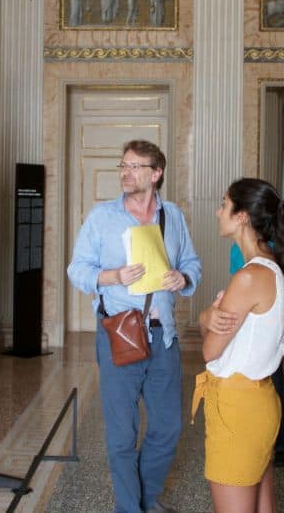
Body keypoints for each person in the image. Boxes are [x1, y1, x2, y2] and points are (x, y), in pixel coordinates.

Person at [67, 140, 202, 513]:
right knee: (122, 435)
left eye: (134, 167)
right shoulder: (102, 218)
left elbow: (193, 263)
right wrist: (112, 276)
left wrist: (183, 278)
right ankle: (130, 509)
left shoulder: (172, 216)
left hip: (165, 337)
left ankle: (143, 499)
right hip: (120, 333)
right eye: (122, 166)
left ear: (156, 174)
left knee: (168, 428)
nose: (126, 173)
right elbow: (76, 270)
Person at [194, 179, 284, 512]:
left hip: (237, 409)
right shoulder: (271, 267)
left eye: (224, 204)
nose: (218, 211)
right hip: (259, 401)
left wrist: (205, 318)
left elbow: (209, 350)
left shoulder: (247, 278)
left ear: (242, 216)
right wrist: (207, 316)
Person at [228, 242, 284, 467]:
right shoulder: (236, 247)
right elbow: (236, 281)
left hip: (264, 318)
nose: (220, 212)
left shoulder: (270, 243)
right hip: (247, 317)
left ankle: (282, 442)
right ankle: (259, 438)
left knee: (274, 378)